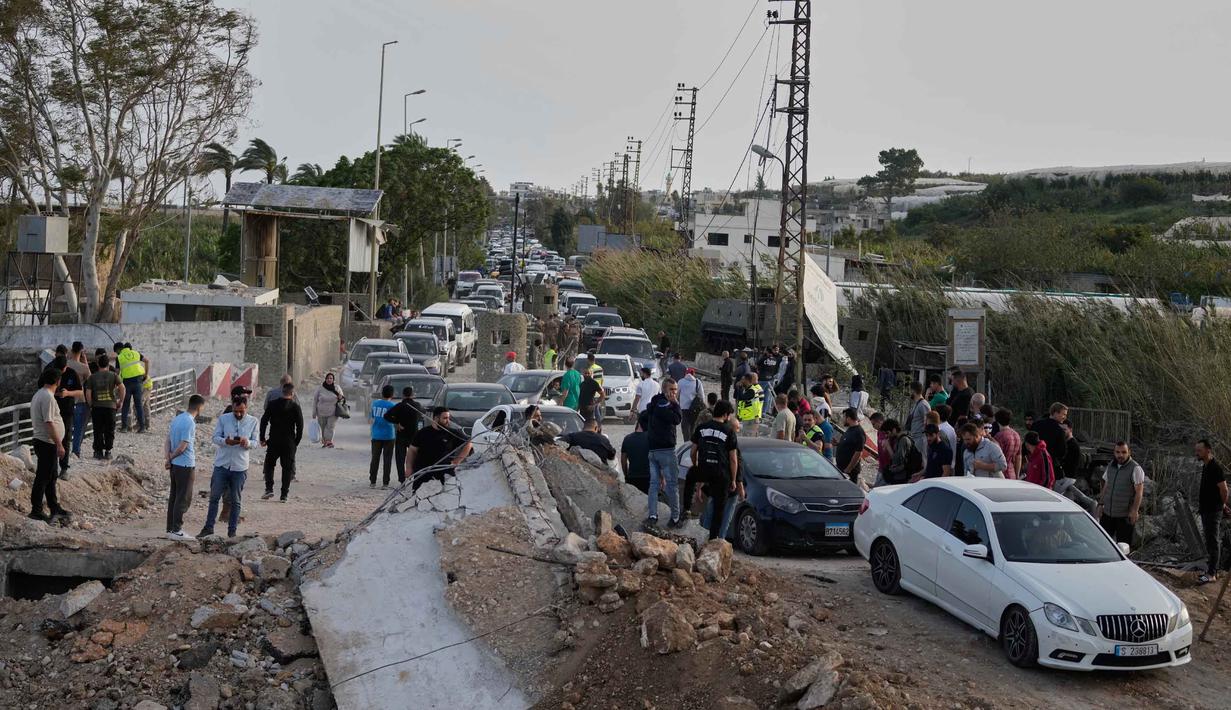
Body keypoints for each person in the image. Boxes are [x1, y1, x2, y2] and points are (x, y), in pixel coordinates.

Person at [199, 395, 258, 538]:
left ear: (246, 408)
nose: (238, 414)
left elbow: (255, 442)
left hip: (240, 467)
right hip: (222, 465)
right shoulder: (223, 419)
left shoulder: (253, 421)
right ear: (232, 407)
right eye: (235, 411)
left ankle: (232, 532)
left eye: (241, 411)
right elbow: (215, 438)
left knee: (236, 500)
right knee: (214, 497)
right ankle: (208, 528)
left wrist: (247, 443)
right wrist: (225, 441)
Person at [688, 401, 739, 540]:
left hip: (705, 470)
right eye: (729, 415)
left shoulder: (701, 428)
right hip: (721, 473)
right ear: (725, 415)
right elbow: (733, 459)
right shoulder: (729, 431)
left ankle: (702, 538)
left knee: (708, 505)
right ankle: (713, 540)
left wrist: (696, 466)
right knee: (719, 509)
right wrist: (734, 480)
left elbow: (692, 452)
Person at [639, 377, 682, 527]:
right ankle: (675, 518)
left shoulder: (654, 403)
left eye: (676, 390)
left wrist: (651, 432)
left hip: (653, 450)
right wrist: (676, 404)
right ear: (664, 389)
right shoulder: (665, 404)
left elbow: (643, 417)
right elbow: (677, 419)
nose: (674, 393)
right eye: (671, 390)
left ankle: (653, 515)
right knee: (672, 485)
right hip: (666, 450)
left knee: (654, 484)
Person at [29, 368, 70, 523]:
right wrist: (59, 444)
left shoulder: (40, 394)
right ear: (58, 381)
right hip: (47, 442)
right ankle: (36, 510)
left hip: (45, 441)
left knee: (51, 476)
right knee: (43, 476)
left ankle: (54, 507)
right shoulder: (47, 397)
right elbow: (49, 422)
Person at [165, 395, 205, 540]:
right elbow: (183, 446)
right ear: (200, 407)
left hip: (175, 465)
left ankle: (170, 529)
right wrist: (172, 457)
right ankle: (176, 529)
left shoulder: (177, 418)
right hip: (185, 464)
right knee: (183, 498)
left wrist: (168, 458)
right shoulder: (189, 422)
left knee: (174, 496)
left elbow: (168, 440)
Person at [407, 406, 472, 492]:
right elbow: (412, 450)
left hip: (444, 472)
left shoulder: (452, 433)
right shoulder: (422, 433)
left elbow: (469, 443)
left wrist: (457, 461)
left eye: (448, 418)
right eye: (445, 418)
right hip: (423, 473)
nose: (448, 421)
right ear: (436, 418)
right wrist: (409, 468)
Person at [260, 382, 304, 501]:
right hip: (289, 442)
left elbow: (264, 421)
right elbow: (300, 427)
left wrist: (262, 438)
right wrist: (295, 442)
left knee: (269, 465)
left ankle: (269, 489)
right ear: (292, 393)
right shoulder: (295, 407)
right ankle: (284, 494)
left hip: (274, 440)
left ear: (282, 392)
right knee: (287, 468)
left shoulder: (272, 404)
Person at [1196, 439, 1228, 584]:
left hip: (1213, 511)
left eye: (1200, 450)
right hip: (1206, 510)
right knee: (1209, 540)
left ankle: (1212, 573)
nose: (1197, 453)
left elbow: (1224, 489)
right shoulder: (1206, 466)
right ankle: (1211, 570)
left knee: (1213, 541)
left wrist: (1222, 505)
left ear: (1208, 450)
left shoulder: (1215, 468)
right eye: (1196, 450)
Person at [1100, 441, 1144, 546]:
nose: (1120, 455)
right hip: (1107, 513)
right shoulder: (1111, 466)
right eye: (1118, 452)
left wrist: (1135, 511)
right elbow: (1106, 486)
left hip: (1124, 516)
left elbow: (1139, 492)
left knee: (1123, 546)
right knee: (1103, 544)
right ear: (1114, 452)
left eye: (1124, 452)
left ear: (1129, 452)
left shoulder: (1135, 468)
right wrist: (1100, 504)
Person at [48, 355, 82, 479]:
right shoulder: (50, 373)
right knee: (51, 438)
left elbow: (80, 391)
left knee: (65, 439)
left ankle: (64, 468)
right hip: (52, 410)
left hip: (67, 411)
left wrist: (68, 393)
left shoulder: (72, 373)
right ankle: (52, 468)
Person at [84, 354, 124, 460]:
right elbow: (122, 388)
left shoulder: (92, 377)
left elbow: (88, 393)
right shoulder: (114, 375)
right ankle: (108, 451)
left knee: (98, 430)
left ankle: (98, 452)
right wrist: (120, 401)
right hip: (111, 407)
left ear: (98, 364)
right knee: (109, 430)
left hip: (97, 407)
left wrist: (90, 404)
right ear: (108, 364)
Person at [384, 386, 423, 485]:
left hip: (401, 435)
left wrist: (397, 422)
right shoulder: (417, 405)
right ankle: (415, 478)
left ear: (403, 395)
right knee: (415, 458)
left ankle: (402, 480)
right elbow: (422, 414)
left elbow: (386, 416)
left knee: (400, 459)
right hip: (414, 436)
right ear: (413, 395)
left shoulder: (399, 406)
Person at [114, 341, 149, 433]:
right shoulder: (136, 353)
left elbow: (116, 373)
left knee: (125, 405)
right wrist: (145, 374)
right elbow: (147, 361)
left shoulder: (119, 357)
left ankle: (124, 428)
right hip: (138, 381)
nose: (117, 354)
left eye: (116, 352)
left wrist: (115, 384)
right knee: (138, 405)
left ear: (118, 350)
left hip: (127, 383)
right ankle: (142, 427)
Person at [368, 384, 397, 488]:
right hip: (389, 435)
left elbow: (371, 418)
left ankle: (372, 481)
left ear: (382, 393)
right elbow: (395, 420)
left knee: (375, 458)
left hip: (376, 435)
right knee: (387, 460)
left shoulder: (375, 403)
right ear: (392, 395)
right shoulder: (392, 406)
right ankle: (385, 483)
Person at [67, 342, 91, 459]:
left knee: (65, 426)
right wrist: (85, 361)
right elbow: (90, 379)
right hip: (80, 399)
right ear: (81, 352)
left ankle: (63, 448)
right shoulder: (84, 368)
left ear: (71, 350)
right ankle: (76, 451)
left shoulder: (66, 364)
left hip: (66, 399)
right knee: (78, 427)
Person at [883, 419, 923, 485]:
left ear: (894, 430)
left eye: (887, 433)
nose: (886, 436)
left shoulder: (903, 440)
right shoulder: (898, 440)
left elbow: (898, 461)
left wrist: (888, 447)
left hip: (903, 477)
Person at [1030, 402, 1068, 468]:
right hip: (1050, 463)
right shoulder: (1059, 430)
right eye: (1063, 414)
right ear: (1055, 413)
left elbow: (1029, 442)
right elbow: (1062, 451)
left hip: (1034, 462)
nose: (1065, 417)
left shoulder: (1036, 424)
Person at [312, 373, 344, 449]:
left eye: (331, 378)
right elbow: (315, 400)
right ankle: (325, 441)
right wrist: (314, 412)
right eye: (328, 378)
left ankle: (329, 441)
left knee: (330, 427)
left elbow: (342, 399)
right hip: (321, 412)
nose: (329, 380)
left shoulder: (337, 388)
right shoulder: (320, 388)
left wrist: (340, 398)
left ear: (333, 380)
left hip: (333, 412)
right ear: (325, 379)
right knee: (323, 428)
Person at [835, 408, 866, 485]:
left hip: (849, 472)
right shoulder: (850, 429)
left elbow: (858, 453)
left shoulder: (859, 432)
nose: (842, 419)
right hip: (841, 469)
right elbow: (849, 445)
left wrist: (848, 469)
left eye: (844, 417)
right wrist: (838, 444)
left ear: (848, 418)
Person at [620, 422, 651, 493]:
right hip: (649, 477)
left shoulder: (627, 438)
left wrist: (626, 475)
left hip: (633, 477)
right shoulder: (651, 438)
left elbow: (623, 460)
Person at [992, 409, 1022, 480]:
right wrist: (1017, 475)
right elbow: (1018, 457)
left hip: (1001, 474)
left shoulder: (999, 436)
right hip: (1012, 473)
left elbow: (996, 458)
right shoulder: (1016, 435)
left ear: (997, 420)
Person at [678, 368, 705, 439]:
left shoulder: (681, 382)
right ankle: (692, 440)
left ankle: (686, 441)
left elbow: (677, 394)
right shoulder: (698, 382)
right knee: (693, 426)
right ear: (693, 374)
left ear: (686, 373)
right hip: (694, 408)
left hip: (684, 407)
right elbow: (702, 396)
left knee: (685, 426)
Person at [904, 381, 930, 453]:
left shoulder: (923, 404)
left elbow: (928, 423)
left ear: (913, 391)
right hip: (914, 439)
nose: (909, 392)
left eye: (909, 390)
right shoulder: (917, 404)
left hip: (920, 440)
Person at [735, 372, 764, 437]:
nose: (741, 381)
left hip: (752, 418)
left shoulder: (752, 390)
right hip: (748, 417)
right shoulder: (747, 389)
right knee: (747, 435)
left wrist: (740, 388)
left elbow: (742, 397)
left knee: (748, 436)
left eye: (743, 379)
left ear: (747, 380)